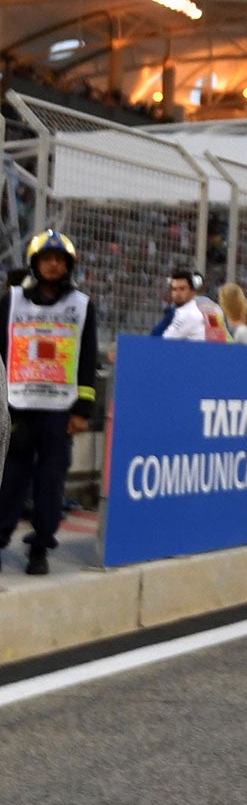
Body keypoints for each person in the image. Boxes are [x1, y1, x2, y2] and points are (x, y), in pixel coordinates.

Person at [2, 230, 98, 576]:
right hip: (17, 407)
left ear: (68, 265)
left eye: (60, 260)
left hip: (59, 411)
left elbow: (87, 360)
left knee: (50, 481)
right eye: (47, 259)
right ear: (35, 263)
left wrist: (82, 411)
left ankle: (40, 547)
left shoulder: (82, 305)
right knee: (9, 477)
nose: (53, 265)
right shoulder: (11, 301)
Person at [160, 268, 230, 341]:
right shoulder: (213, 306)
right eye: (174, 289)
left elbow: (165, 341)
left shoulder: (185, 313)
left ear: (192, 291)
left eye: (182, 289)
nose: (177, 294)